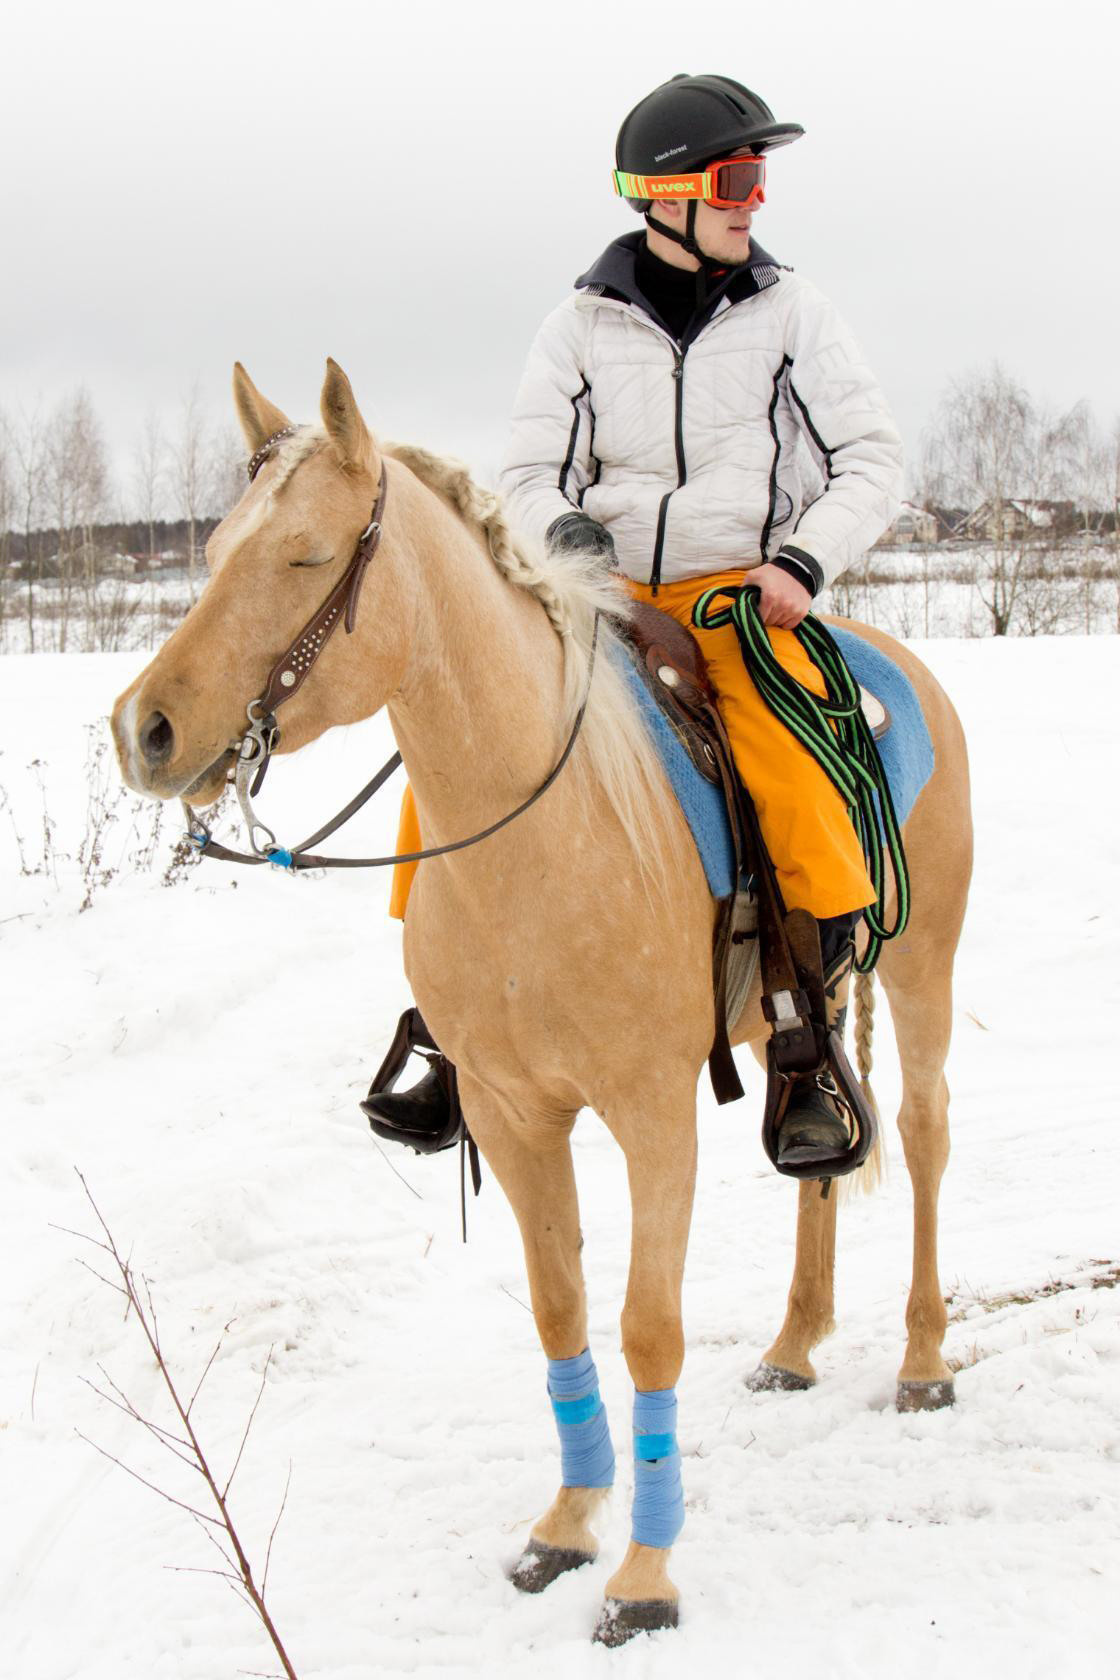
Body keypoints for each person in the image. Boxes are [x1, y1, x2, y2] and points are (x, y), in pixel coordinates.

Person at [363, 73, 903, 1170]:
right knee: (458, 758)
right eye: (737, 180)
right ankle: (450, 1026)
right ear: (666, 194)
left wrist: (803, 561)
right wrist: (565, 535)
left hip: (734, 595)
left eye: (759, 179)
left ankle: (801, 1036)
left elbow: (873, 459)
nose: (756, 201)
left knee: (787, 771)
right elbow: (529, 471)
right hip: (598, 598)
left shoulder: (792, 313)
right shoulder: (576, 325)